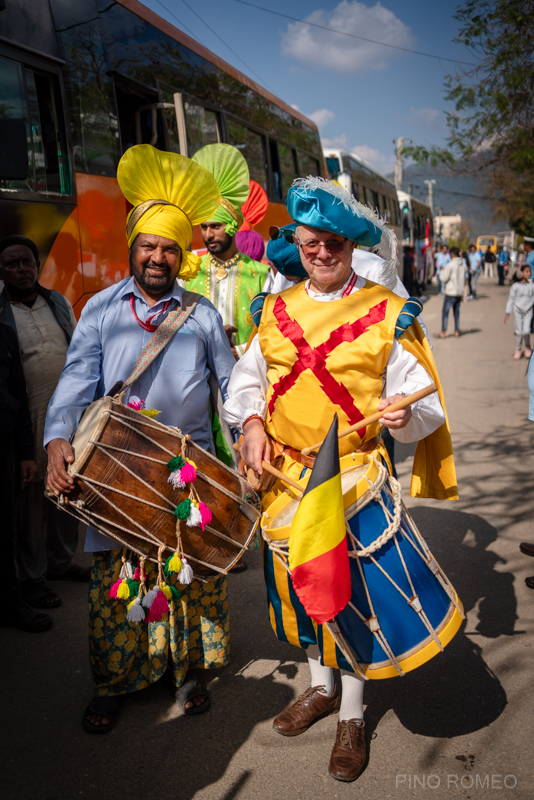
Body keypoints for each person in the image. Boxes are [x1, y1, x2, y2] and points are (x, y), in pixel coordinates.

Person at [223, 177, 456, 783]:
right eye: (309, 245)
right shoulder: (272, 310)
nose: (321, 254)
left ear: (351, 244)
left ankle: (352, 714)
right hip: (284, 475)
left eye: (333, 243)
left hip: (352, 477)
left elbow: (426, 402)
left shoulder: (385, 312)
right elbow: (248, 378)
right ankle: (319, 687)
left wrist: (406, 411)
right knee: (300, 593)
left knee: (350, 599)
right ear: (295, 246)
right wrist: (250, 418)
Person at [44, 144, 237, 733]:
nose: (158, 257)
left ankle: (186, 674)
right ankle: (114, 682)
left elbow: (229, 389)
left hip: (187, 473)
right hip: (115, 466)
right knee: (116, 580)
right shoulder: (101, 310)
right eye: (148, 246)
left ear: (183, 255)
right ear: (132, 249)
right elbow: (77, 379)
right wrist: (56, 438)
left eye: (170, 247)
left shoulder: (202, 315)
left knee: (188, 575)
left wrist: (250, 445)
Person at [0, 235, 86, 612]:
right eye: (12, 264)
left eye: (27, 262)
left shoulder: (57, 302)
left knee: (68, 485)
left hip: (66, 414)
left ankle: (61, 561)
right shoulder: (2, 312)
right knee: (32, 497)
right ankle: (32, 576)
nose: (22, 269)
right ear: (1, 272)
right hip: (27, 416)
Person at [188, 144, 270, 359]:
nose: (208, 235)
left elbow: (272, 328)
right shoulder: (189, 271)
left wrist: (240, 351)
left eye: (216, 226)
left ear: (232, 226)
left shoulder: (261, 274)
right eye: (204, 227)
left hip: (246, 373)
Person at [0, 321, 53, 632]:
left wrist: (25, 453)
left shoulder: (5, 333)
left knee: (5, 531)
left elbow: (17, 394)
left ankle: (10, 603)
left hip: (4, 449)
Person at [504, 264, 534, 358]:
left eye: (529, 271)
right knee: (519, 332)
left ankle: (527, 346)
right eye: (526, 271)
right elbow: (511, 299)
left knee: (526, 331)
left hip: (528, 311)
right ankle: (518, 349)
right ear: (521, 273)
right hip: (518, 311)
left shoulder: (532, 285)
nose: (529, 273)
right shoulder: (515, 286)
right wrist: (507, 312)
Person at [437, 247, 465, 338]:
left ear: (452, 254)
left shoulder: (450, 264)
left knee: (445, 312)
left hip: (451, 292)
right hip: (459, 292)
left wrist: (441, 270)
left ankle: (443, 332)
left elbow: (443, 278)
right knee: (456, 311)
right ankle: (456, 330)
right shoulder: (463, 264)